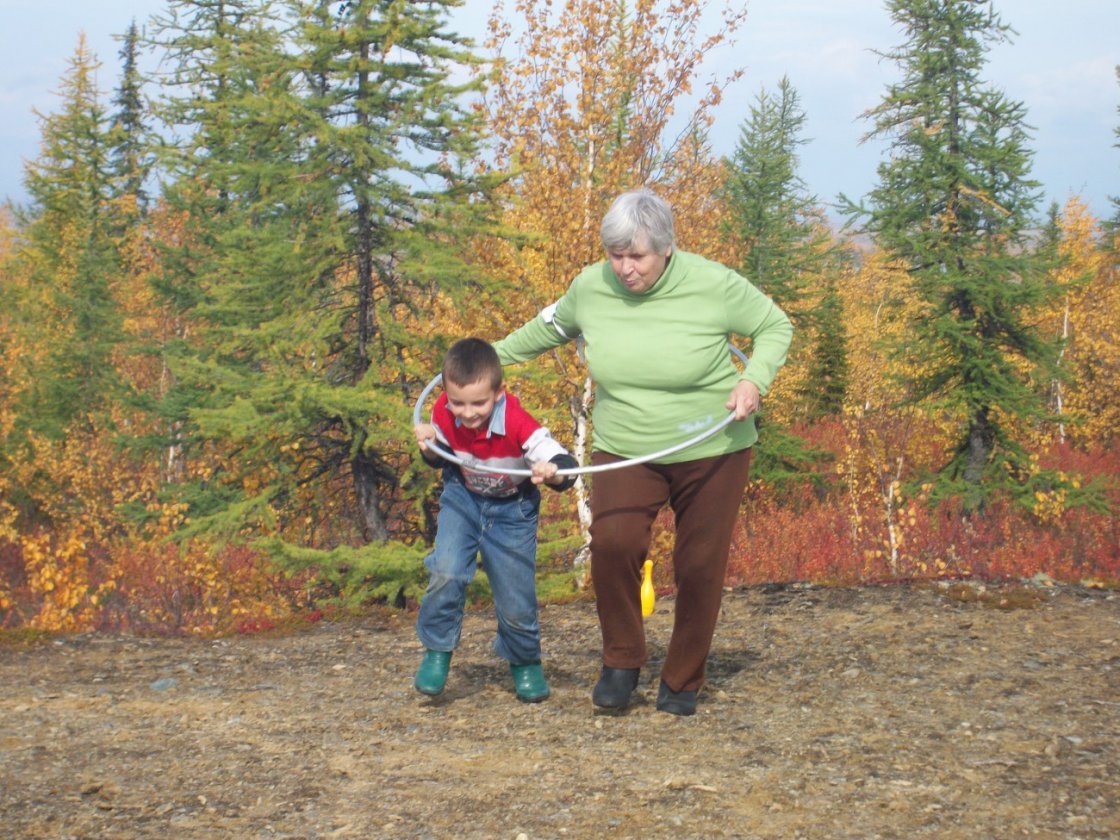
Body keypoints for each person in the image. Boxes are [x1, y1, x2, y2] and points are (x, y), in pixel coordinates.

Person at [493, 189, 792, 716]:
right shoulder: (590, 287)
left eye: (637, 256)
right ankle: (622, 660)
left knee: (699, 562)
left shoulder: (713, 282)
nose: (625, 268)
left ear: (667, 249)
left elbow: (774, 325)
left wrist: (754, 381)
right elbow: (546, 330)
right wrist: (477, 362)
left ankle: (681, 679)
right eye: (615, 255)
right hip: (626, 443)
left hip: (713, 445)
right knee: (613, 543)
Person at [413, 337, 578, 702]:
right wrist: (429, 447)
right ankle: (438, 650)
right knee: (447, 570)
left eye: (479, 403)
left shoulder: (518, 422)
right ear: (445, 394)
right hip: (464, 499)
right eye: (458, 403)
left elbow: (566, 466)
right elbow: (441, 455)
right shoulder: (444, 410)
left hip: (512, 511)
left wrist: (552, 472)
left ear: (499, 393)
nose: (468, 413)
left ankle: (524, 661)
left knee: (515, 595)